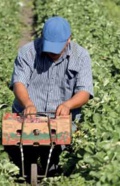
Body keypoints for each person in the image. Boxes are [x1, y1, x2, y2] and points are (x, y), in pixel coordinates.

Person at [5, 16, 94, 178]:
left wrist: (68, 105)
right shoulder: (28, 52)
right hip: (28, 116)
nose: (53, 52)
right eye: (50, 47)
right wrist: (28, 104)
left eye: (57, 47)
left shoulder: (80, 56)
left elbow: (84, 92)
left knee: (54, 164)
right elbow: (19, 82)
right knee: (17, 149)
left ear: (69, 40)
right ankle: (27, 165)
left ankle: (51, 167)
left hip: (59, 119)